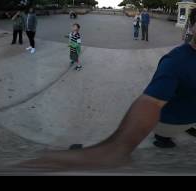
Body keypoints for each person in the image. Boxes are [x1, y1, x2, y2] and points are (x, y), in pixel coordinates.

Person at [22, 17, 196, 169]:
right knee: (166, 127)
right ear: (192, 27)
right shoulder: (176, 61)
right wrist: (118, 147)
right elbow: (151, 102)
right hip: (173, 120)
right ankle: (162, 138)